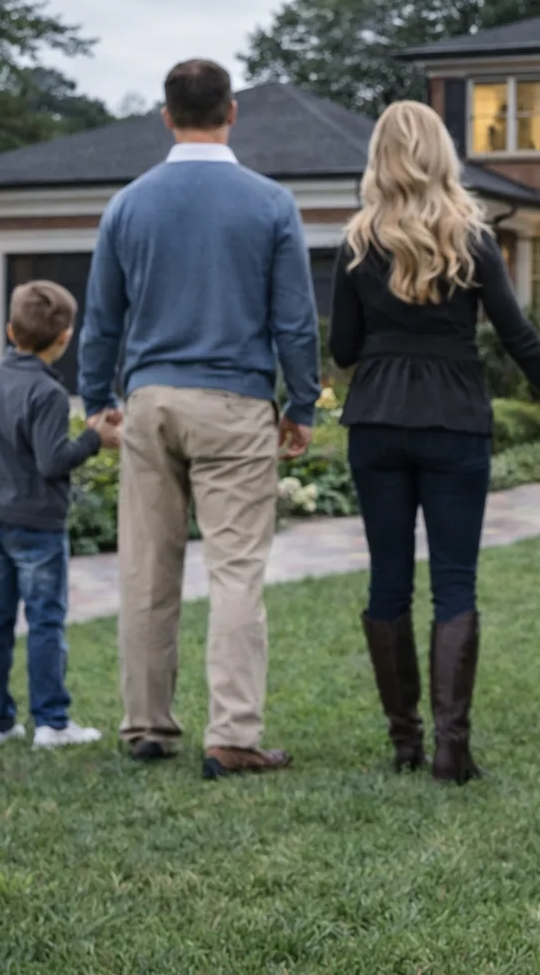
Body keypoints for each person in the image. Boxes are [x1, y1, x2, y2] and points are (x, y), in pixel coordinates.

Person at [330, 100, 540, 784]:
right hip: (454, 419)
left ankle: (404, 742)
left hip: (377, 420)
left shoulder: (357, 240)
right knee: (454, 581)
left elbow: (344, 346)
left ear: (381, 157)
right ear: (442, 154)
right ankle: (452, 747)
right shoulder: (471, 238)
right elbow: (519, 336)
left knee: (388, 579)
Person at [78, 59, 321, 780]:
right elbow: (295, 322)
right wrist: (301, 404)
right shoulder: (271, 203)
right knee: (237, 572)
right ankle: (233, 736)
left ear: (166, 116)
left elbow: (101, 318)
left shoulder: (128, 205)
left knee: (146, 571)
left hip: (150, 404)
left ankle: (148, 726)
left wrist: (97, 400)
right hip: (234, 405)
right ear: (232, 111)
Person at [0, 281, 121, 749]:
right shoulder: (48, 393)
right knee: (45, 621)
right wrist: (96, 439)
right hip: (35, 526)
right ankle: (52, 722)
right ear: (65, 338)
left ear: (11, 331)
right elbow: (53, 461)